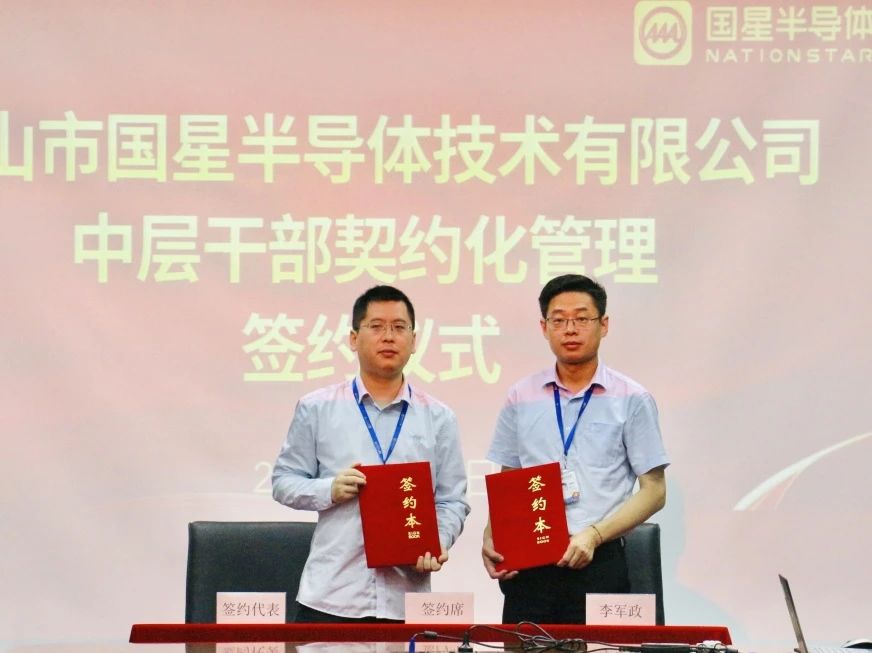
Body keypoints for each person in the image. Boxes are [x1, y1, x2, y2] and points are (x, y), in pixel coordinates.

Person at [272, 285, 470, 623]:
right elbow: (283, 481)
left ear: (414, 340)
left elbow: (452, 500)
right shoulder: (317, 408)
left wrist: (437, 540)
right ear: (353, 338)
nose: (388, 337)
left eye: (399, 327)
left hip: (406, 598)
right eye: (376, 326)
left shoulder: (439, 417)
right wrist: (329, 489)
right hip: (332, 597)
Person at [481, 274, 669, 624]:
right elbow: (510, 479)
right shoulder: (521, 396)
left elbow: (655, 491)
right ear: (544, 327)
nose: (570, 329)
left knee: (597, 648)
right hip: (531, 563)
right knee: (526, 647)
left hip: (600, 559)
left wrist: (594, 536)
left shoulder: (632, 398)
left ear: (604, 325)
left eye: (582, 318)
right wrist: (492, 535)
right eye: (559, 320)